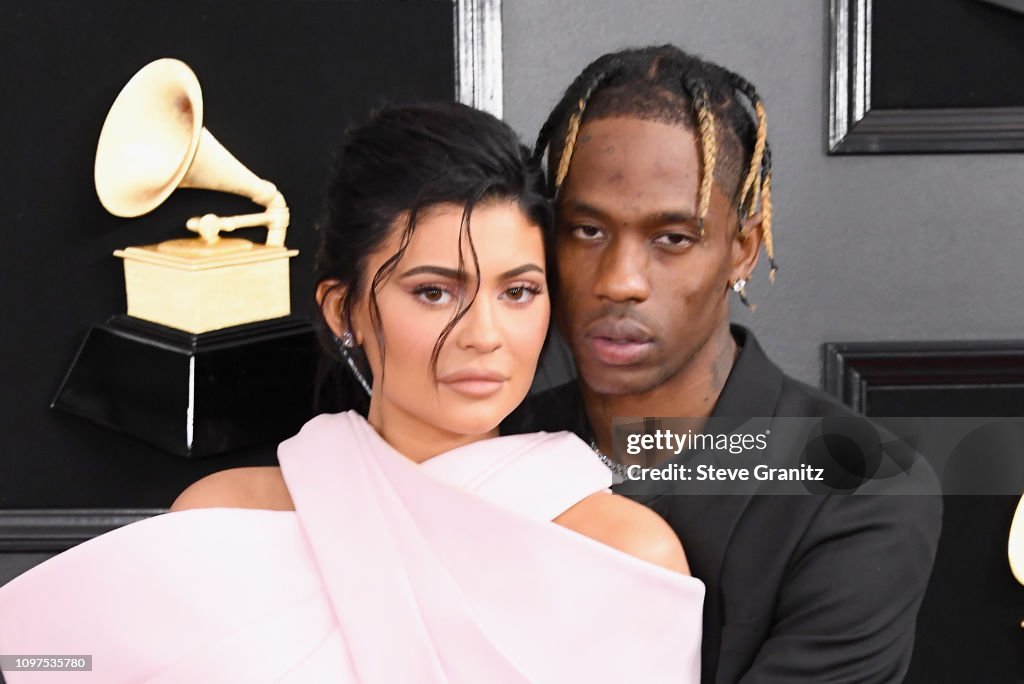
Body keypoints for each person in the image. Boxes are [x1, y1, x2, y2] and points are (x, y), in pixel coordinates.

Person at [0, 102, 705, 683]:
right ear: (343, 310)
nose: (485, 334)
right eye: (434, 291)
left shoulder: (624, 554)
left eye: (519, 292)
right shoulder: (221, 518)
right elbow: (45, 655)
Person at [504, 45, 943, 683]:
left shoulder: (866, 490)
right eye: (587, 230)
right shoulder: (496, 445)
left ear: (742, 249)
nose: (621, 281)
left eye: (673, 239)